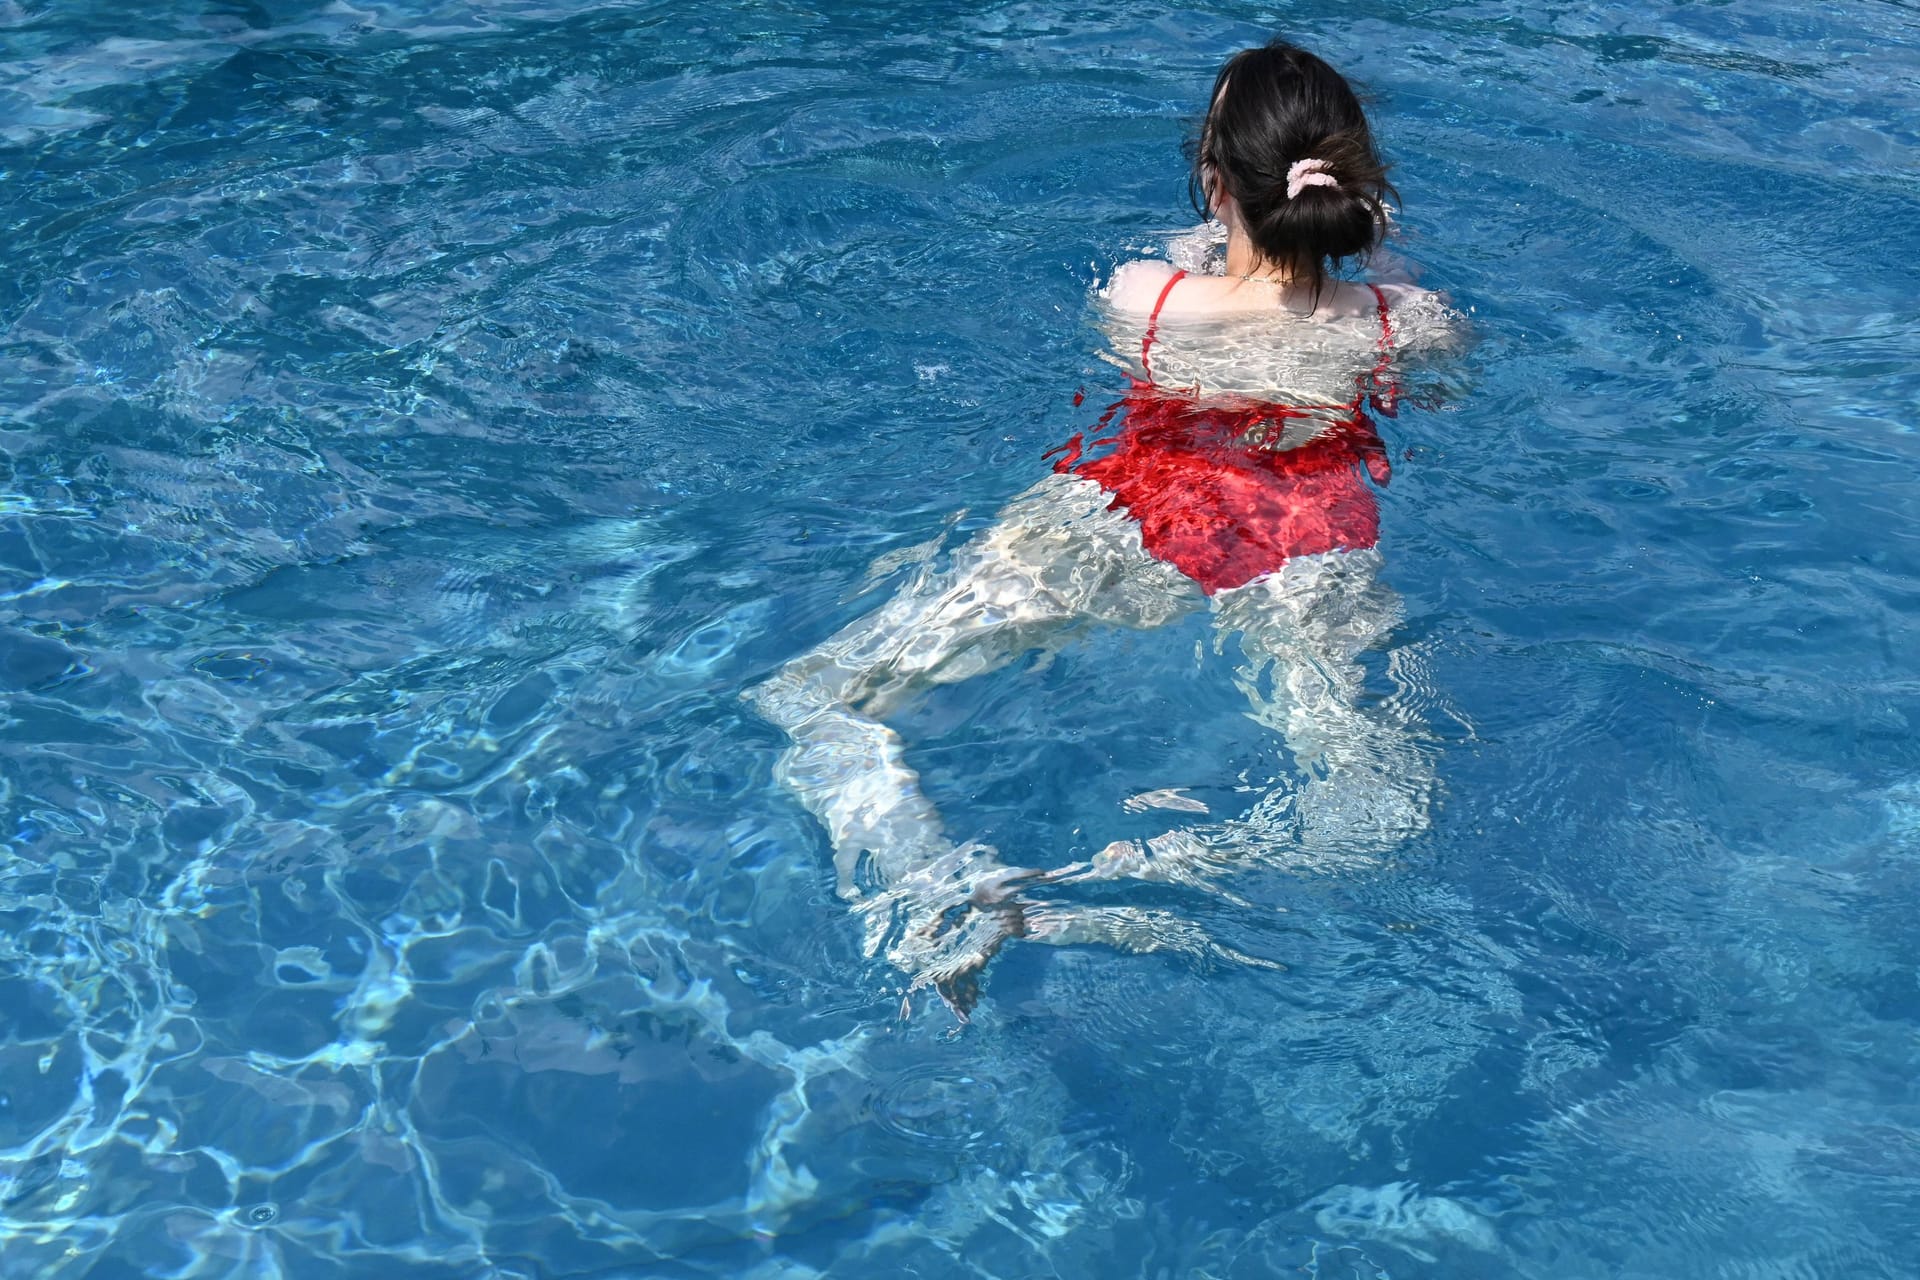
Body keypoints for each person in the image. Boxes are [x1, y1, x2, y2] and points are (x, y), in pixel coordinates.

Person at [749, 38, 1462, 1019]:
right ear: (1353, 190)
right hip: (1308, 543)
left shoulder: (1148, 294)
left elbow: (1191, 275)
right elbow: (1422, 385)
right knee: (1373, 815)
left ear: (1216, 187)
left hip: (1133, 517)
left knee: (810, 698)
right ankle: (1098, 885)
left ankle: (937, 892)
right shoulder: (1407, 319)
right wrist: (1363, 255)